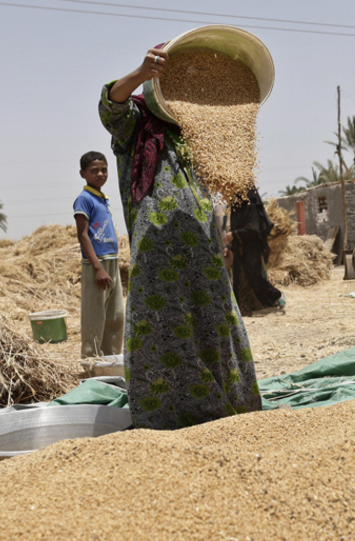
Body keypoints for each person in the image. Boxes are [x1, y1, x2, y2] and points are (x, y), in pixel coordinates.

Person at [98, 45, 261, 430]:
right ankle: (166, 414)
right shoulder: (136, 125)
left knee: (214, 320)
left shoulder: (196, 135)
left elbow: (211, 192)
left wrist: (220, 235)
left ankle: (228, 403)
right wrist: (141, 72)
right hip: (157, 251)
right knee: (162, 324)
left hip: (203, 248)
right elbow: (110, 106)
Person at [73, 151, 125, 360]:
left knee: (116, 316)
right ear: (83, 173)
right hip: (97, 264)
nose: (100, 174)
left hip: (112, 261)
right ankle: (91, 363)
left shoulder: (102, 199)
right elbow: (83, 235)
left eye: (104, 170)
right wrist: (97, 268)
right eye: (94, 171)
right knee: (95, 317)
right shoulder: (84, 200)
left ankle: (111, 361)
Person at [224, 186, 285, 316]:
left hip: (252, 246)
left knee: (254, 275)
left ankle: (276, 296)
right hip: (238, 246)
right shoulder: (235, 208)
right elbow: (233, 229)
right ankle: (239, 308)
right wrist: (228, 246)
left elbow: (254, 229)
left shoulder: (250, 207)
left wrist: (235, 234)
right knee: (237, 277)